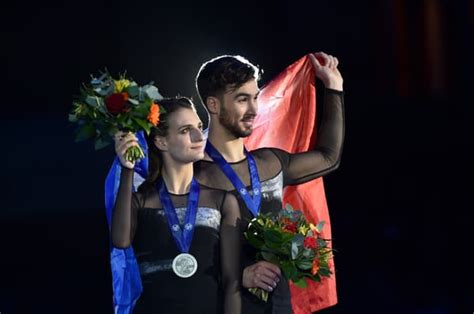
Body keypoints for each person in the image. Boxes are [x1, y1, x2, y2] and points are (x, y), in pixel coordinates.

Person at [194, 52, 344, 313]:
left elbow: (329, 158)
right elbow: (173, 259)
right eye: (242, 99)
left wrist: (333, 87)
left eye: (255, 97)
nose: (254, 109)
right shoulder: (192, 176)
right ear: (213, 105)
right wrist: (237, 275)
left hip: (280, 306)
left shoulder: (270, 163)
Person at [110, 97, 242, 314]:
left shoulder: (222, 201)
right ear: (161, 141)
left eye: (199, 127)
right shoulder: (141, 201)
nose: (200, 136)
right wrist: (127, 169)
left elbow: (232, 283)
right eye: (185, 130)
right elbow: (120, 240)